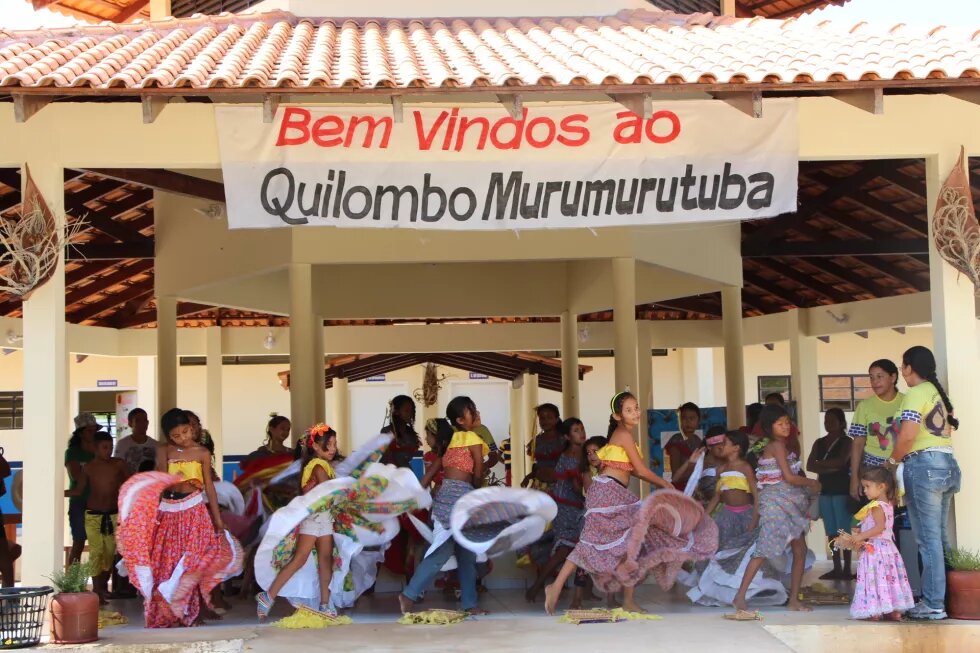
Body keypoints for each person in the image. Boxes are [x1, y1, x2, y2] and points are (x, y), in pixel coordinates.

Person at [543, 392, 716, 615]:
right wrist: (665, 483)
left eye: (636, 408)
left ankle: (626, 599)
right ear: (617, 415)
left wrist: (663, 484)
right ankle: (556, 587)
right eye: (629, 410)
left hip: (614, 493)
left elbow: (634, 470)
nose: (635, 412)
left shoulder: (625, 435)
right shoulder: (623, 433)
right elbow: (642, 469)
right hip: (607, 493)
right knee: (591, 544)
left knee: (630, 544)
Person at [116, 408, 242, 628]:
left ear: (192, 429)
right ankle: (168, 614)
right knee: (168, 562)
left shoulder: (202, 452)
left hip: (195, 510)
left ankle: (194, 612)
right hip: (169, 512)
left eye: (186, 431)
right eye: (176, 435)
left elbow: (210, 489)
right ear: (168, 437)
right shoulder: (164, 450)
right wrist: (177, 485)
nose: (183, 438)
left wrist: (217, 519)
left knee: (194, 562)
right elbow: (162, 483)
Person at [400, 396, 489, 616]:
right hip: (461, 499)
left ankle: (470, 603)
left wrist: (409, 501)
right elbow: (477, 474)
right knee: (444, 552)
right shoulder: (473, 438)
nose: (476, 413)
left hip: (445, 498)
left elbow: (427, 478)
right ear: (461, 419)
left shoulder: (448, 443)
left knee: (465, 554)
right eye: (472, 411)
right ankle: (408, 594)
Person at [890, 346, 961, 621]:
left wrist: (892, 463)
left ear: (909, 368)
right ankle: (947, 600)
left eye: (901, 367)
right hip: (947, 465)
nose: (902, 372)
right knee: (940, 538)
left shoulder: (914, 395)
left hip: (924, 467)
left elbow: (907, 437)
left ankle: (933, 604)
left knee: (928, 540)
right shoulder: (936, 393)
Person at [733, 404, 820, 614]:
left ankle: (793, 600)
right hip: (776, 506)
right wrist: (812, 484)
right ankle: (740, 597)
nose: (785, 426)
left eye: (787, 422)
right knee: (764, 550)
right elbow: (789, 477)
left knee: (800, 551)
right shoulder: (777, 446)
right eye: (779, 423)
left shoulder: (783, 445)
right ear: (769, 427)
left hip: (789, 505)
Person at [685, 431, 787, 607]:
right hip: (726, 517)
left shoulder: (745, 467)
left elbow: (756, 496)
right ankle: (722, 591)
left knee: (743, 555)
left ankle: (749, 590)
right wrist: (704, 518)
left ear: (736, 448)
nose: (721, 446)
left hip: (746, 517)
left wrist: (754, 522)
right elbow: (718, 497)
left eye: (725, 443)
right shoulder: (721, 469)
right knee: (721, 553)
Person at [256, 424, 337, 620]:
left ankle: (325, 604)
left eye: (335, 444)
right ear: (316, 447)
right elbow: (328, 491)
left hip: (325, 517)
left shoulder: (322, 465)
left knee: (325, 560)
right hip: (313, 518)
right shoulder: (318, 466)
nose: (334, 448)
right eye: (330, 444)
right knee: (300, 558)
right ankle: (268, 595)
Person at [525, 417, 587, 604]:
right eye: (576, 430)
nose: (582, 432)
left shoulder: (580, 455)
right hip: (567, 509)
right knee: (565, 551)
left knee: (581, 548)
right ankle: (536, 587)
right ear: (567, 436)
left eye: (582, 428)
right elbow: (577, 488)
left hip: (575, 508)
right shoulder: (570, 457)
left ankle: (582, 592)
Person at [66, 431, 128, 604]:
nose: (108, 451)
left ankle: (102, 587)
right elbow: (79, 490)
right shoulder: (88, 468)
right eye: (104, 447)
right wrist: (56, 493)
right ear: (95, 448)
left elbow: (129, 483)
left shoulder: (119, 464)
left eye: (110, 447)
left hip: (113, 514)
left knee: (109, 553)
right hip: (92, 515)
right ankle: (97, 591)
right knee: (96, 552)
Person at [846, 466, 914, 621]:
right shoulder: (888, 504)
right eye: (864, 487)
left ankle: (874, 610)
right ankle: (892, 610)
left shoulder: (876, 507)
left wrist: (860, 536)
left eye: (867, 487)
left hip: (875, 549)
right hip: (887, 548)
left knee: (874, 578)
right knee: (887, 577)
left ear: (882, 486)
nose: (864, 491)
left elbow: (879, 527)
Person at [806, 408, 853, 580]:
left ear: (841, 423)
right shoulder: (819, 442)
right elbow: (810, 465)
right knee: (831, 531)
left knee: (844, 531)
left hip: (842, 490)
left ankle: (847, 568)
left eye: (832, 420)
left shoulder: (847, 441)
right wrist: (831, 466)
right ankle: (836, 567)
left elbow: (842, 462)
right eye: (826, 420)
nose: (827, 423)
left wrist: (822, 464)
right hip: (825, 490)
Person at [848, 360, 903, 501]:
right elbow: (858, 443)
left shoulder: (907, 402)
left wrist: (894, 463)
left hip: (901, 467)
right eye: (871, 377)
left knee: (901, 516)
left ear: (893, 377)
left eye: (880, 376)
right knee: (877, 516)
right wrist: (854, 477)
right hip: (872, 471)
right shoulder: (865, 406)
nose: (875, 382)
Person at [65, 412, 98, 565]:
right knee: (78, 543)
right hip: (79, 501)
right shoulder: (72, 452)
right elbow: (76, 477)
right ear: (80, 433)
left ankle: (99, 583)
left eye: (94, 430)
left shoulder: (100, 450)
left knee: (100, 544)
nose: (93, 434)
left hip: (99, 501)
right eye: (89, 431)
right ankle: (72, 583)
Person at [665, 402, 703, 490]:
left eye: (692, 418)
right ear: (679, 421)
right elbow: (675, 477)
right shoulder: (676, 440)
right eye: (684, 418)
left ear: (698, 421)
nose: (688, 422)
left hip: (696, 489)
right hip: (682, 490)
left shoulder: (698, 440)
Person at [114, 408, 158, 475]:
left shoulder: (156, 445)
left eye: (145, 420)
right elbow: (117, 468)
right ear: (130, 423)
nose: (142, 424)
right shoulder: (122, 444)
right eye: (138, 421)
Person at [381, 395, 421, 468]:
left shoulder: (410, 432)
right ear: (396, 412)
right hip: (389, 472)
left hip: (405, 471)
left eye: (412, 411)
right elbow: (387, 457)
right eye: (406, 411)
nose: (410, 414)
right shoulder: (387, 431)